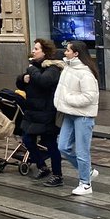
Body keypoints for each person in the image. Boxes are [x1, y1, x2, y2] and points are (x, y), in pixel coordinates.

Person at [17, 39, 65, 187]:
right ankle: (42, 166)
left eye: (36, 48)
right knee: (27, 139)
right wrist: (22, 79)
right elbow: (20, 83)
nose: (33, 50)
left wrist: (31, 70)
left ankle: (57, 175)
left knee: (51, 143)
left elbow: (43, 81)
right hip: (33, 112)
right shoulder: (35, 66)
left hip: (46, 112)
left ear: (45, 52)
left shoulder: (53, 68)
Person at [55, 40, 100, 196]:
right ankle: (88, 171)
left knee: (82, 150)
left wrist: (68, 99)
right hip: (69, 113)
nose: (64, 52)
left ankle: (85, 184)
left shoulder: (85, 73)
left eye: (67, 50)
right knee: (62, 146)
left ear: (76, 54)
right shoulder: (68, 67)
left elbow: (89, 96)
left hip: (83, 116)